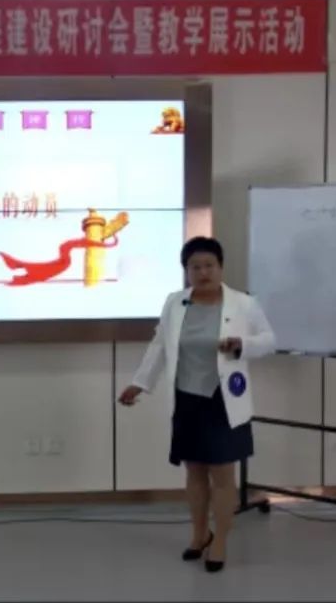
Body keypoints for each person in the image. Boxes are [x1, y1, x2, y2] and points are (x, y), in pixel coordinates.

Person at [118, 236, 275, 573]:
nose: (203, 272)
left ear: (221, 267)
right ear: (186, 271)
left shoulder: (243, 303)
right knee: (194, 471)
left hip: (224, 400)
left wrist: (242, 344)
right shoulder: (175, 303)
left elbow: (269, 340)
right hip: (187, 397)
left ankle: (220, 542)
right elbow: (159, 345)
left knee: (222, 474)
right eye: (195, 267)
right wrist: (140, 383)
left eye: (209, 266)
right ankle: (199, 534)